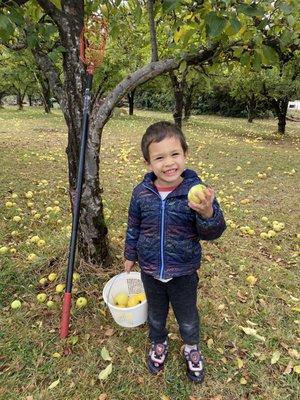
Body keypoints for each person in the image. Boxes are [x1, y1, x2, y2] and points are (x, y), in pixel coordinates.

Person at [124, 121, 226, 383]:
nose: (168, 163)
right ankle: (159, 343)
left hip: (183, 272)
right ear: (148, 163)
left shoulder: (197, 193)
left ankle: (191, 347)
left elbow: (213, 232)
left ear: (185, 155)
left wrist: (207, 213)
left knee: (188, 317)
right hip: (150, 271)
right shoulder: (141, 193)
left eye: (174, 154)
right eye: (159, 157)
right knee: (155, 316)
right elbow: (134, 226)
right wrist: (129, 254)